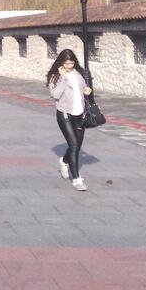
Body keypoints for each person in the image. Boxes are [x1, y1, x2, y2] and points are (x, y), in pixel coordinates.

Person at [47, 49, 93, 192]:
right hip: (65, 115)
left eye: (72, 62)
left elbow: (83, 88)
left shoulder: (78, 73)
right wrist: (63, 78)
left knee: (77, 146)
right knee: (73, 145)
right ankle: (77, 179)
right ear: (61, 63)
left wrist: (87, 90)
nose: (69, 66)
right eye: (67, 63)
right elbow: (55, 94)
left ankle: (64, 161)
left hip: (80, 115)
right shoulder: (55, 76)